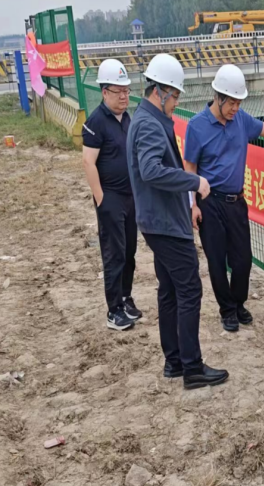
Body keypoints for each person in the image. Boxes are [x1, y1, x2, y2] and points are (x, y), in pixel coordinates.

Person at [183, 64, 264, 333]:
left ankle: (238, 302)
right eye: (231, 102)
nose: (235, 108)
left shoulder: (241, 120)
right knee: (216, 260)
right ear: (218, 97)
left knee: (243, 260)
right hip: (210, 202)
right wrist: (192, 205)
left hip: (236, 202)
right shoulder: (197, 126)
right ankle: (227, 310)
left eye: (239, 103)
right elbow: (190, 167)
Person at [126, 53, 228, 390]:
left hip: (158, 220)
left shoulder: (146, 118)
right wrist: (193, 182)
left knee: (169, 290)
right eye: (175, 95)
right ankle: (192, 368)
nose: (177, 102)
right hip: (165, 223)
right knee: (189, 289)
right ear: (160, 91)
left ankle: (174, 361)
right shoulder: (149, 124)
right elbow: (151, 170)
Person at [82, 59, 142, 331]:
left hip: (130, 197)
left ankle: (126, 298)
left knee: (129, 251)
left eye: (126, 91)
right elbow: (88, 162)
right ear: (105, 92)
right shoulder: (96, 122)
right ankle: (113, 310)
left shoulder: (127, 119)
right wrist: (101, 198)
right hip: (111, 197)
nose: (124, 97)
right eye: (118, 92)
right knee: (114, 253)